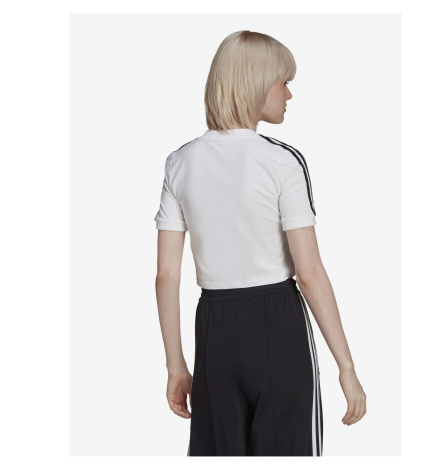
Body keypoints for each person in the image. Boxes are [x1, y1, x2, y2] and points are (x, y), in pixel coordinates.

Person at [154, 30, 366, 457]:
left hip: (213, 328)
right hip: (277, 324)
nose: (289, 94)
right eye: (283, 82)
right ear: (256, 84)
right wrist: (346, 366)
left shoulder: (180, 162)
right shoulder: (282, 160)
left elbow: (167, 275)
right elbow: (309, 273)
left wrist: (177, 365)